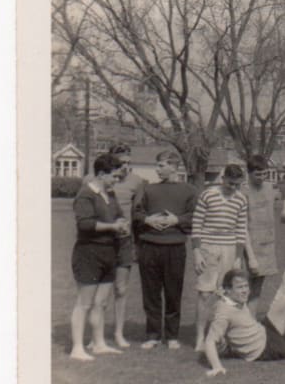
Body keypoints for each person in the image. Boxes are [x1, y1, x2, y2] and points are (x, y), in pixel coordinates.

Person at [132, 151, 197, 350]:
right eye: (157, 165)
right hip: (149, 246)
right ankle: (152, 334)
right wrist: (147, 219)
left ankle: (171, 336)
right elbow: (136, 212)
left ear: (174, 167)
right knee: (150, 293)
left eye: (161, 165)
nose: (157, 169)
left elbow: (196, 216)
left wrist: (176, 220)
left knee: (173, 292)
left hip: (175, 248)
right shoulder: (148, 189)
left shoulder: (188, 190)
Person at [68, 153, 129, 361]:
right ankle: (77, 348)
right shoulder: (85, 195)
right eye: (114, 176)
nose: (117, 180)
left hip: (109, 252)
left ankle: (99, 343)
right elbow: (85, 224)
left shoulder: (109, 193)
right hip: (89, 253)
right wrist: (113, 226)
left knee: (101, 303)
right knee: (84, 303)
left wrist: (122, 222)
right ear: (102, 174)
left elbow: (119, 213)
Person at [189, 164, 248, 351]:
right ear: (223, 178)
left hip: (230, 247)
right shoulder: (208, 195)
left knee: (227, 294)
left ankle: (222, 336)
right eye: (230, 184)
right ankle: (200, 338)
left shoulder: (241, 199)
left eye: (237, 185)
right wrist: (197, 252)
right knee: (205, 293)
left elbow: (241, 229)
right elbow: (196, 225)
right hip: (208, 246)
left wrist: (238, 257)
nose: (233, 188)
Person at [104, 143, 146, 348]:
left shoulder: (137, 182)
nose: (127, 167)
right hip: (102, 240)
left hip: (124, 241)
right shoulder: (97, 180)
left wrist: (136, 244)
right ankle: (98, 334)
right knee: (100, 290)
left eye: (130, 162)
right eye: (122, 163)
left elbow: (138, 214)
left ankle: (119, 332)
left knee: (120, 289)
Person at [243, 155, 280, 317]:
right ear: (249, 173)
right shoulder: (243, 191)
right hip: (248, 246)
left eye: (264, 174)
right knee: (242, 289)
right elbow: (241, 226)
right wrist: (250, 256)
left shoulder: (269, 188)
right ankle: (237, 325)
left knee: (257, 289)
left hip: (266, 245)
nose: (262, 178)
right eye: (258, 174)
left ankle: (250, 323)